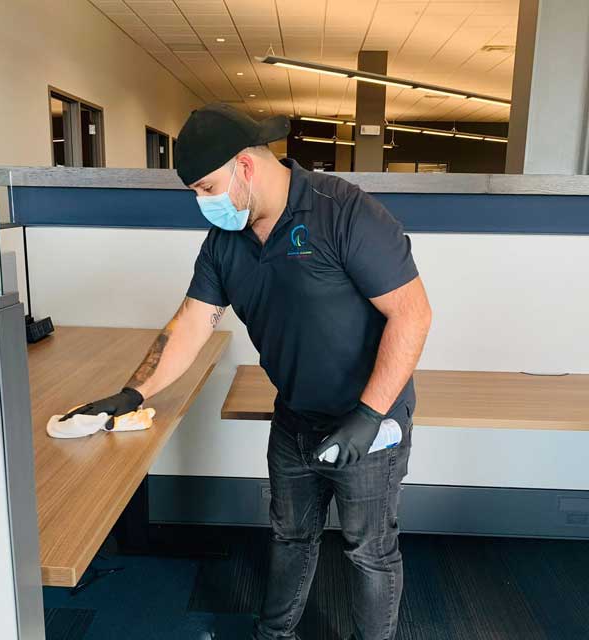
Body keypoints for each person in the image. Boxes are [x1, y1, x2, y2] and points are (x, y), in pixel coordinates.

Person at [62, 102, 432, 640]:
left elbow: (413, 314)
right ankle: (275, 634)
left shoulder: (344, 213)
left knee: (367, 551)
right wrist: (132, 393)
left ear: (246, 166)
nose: (202, 203)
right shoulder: (225, 242)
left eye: (207, 188)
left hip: (368, 424)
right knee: (288, 535)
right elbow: (192, 321)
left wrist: (370, 414)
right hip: (295, 420)